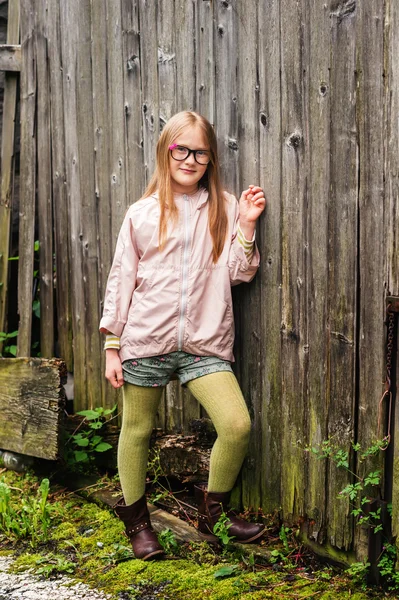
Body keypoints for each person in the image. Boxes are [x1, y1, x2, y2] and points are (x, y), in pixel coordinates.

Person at [99, 111, 266, 560]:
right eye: (182, 150)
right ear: (166, 152)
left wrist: (247, 225)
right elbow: (122, 279)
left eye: (200, 152)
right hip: (146, 341)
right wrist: (113, 343)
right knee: (136, 431)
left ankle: (212, 514)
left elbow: (238, 273)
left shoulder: (226, 207)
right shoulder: (142, 214)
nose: (191, 159)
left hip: (203, 343)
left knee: (236, 425)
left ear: (210, 159)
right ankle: (138, 524)